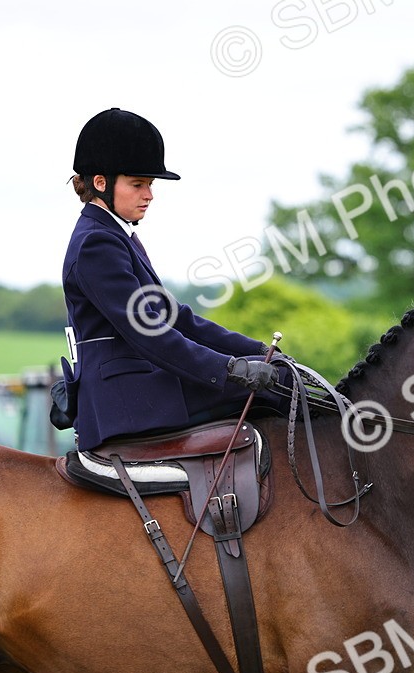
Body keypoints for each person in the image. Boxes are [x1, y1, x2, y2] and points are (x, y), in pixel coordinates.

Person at [61, 108, 283, 451]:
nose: (149, 195)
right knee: (281, 387)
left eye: (149, 185)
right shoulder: (96, 243)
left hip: (141, 387)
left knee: (279, 374)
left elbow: (175, 317)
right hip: (127, 399)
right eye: (138, 185)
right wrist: (230, 369)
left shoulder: (117, 236)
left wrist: (257, 350)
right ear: (101, 183)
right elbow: (149, 333)